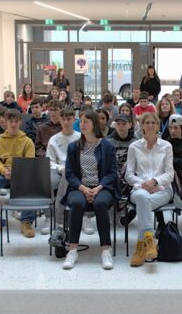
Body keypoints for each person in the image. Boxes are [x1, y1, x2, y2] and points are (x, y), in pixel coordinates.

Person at [61, 109, 119, 270]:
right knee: (77, 203)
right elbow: (69, 173)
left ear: (94, 124)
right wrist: (83, 188)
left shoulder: (107, 146)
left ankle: (106, 250)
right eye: (80, 121)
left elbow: (112, 173)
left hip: (102, 187)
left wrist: (98, 188)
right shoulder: (73, 147)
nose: (82, 124)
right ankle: (73, 250)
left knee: (100, 204)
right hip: (79, 187)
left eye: (86, 121)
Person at [125, 112, 175, 267]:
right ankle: (150, 240)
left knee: (143, 203)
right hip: (140, 189)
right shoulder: (134, 147)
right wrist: (144, 184)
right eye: (147, 122)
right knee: (142, 197)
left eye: (154, 123)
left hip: (162, 190)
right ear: (142, 126)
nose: (151, 125)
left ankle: (141, 246)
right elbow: (128, 174)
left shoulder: (166, 146)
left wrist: (154, 181)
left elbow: (170, 173)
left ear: (158, 126)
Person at [0, 109, 37, 238]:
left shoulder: (27, 141)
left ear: (20, 122)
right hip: (3, 172)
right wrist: (4, 170)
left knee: (32, 183)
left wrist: (16, 170)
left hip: (21, 173)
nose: (13, 124)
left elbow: (29, 161)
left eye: (16, 121)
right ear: (5, 122)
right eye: (11, 121)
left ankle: (26, 221)